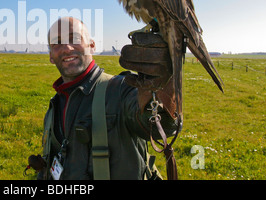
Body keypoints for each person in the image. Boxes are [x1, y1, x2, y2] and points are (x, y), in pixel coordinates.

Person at [30, 16, 181, 180]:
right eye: (57, 42)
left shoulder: (121, 89)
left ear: (92, 46)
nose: (66, 47)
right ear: (51, 55)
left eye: (74, 38)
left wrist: (163, 84)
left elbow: (161, 126)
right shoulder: (54, 106)